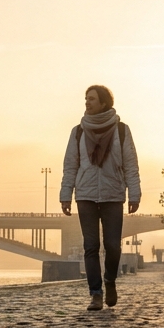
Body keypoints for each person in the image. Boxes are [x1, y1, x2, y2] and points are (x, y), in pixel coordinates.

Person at [59, 84, 141, 310]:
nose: (87, 102)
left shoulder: (121, 130)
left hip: (113, 195)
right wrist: (66, 194)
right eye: (86, 98)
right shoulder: (78, 132)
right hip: (85, 195)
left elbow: (130, 164)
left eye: (92, 99)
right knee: (91, 246)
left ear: (104, 103)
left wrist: (134, 193)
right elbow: (70, 165)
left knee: (113, 246)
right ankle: (95, 294)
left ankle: (110, 281)